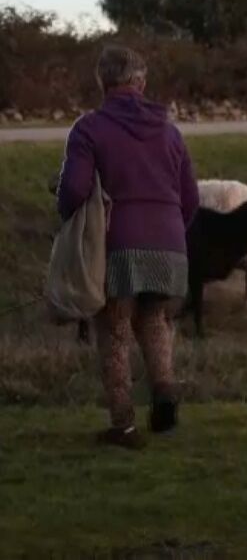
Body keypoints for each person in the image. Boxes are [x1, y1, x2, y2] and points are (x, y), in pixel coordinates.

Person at [56, 45, 199, 449]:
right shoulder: (171, 133)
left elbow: (74, 190)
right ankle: (164, 391)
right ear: (141, 82)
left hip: (119, 242)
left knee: (114, 330)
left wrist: (69, 220)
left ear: (103, 82)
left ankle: (124, 427)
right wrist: (171, 231)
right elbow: (190, 199)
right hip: (170, 243)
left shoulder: (89, 129)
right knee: (154, 320)